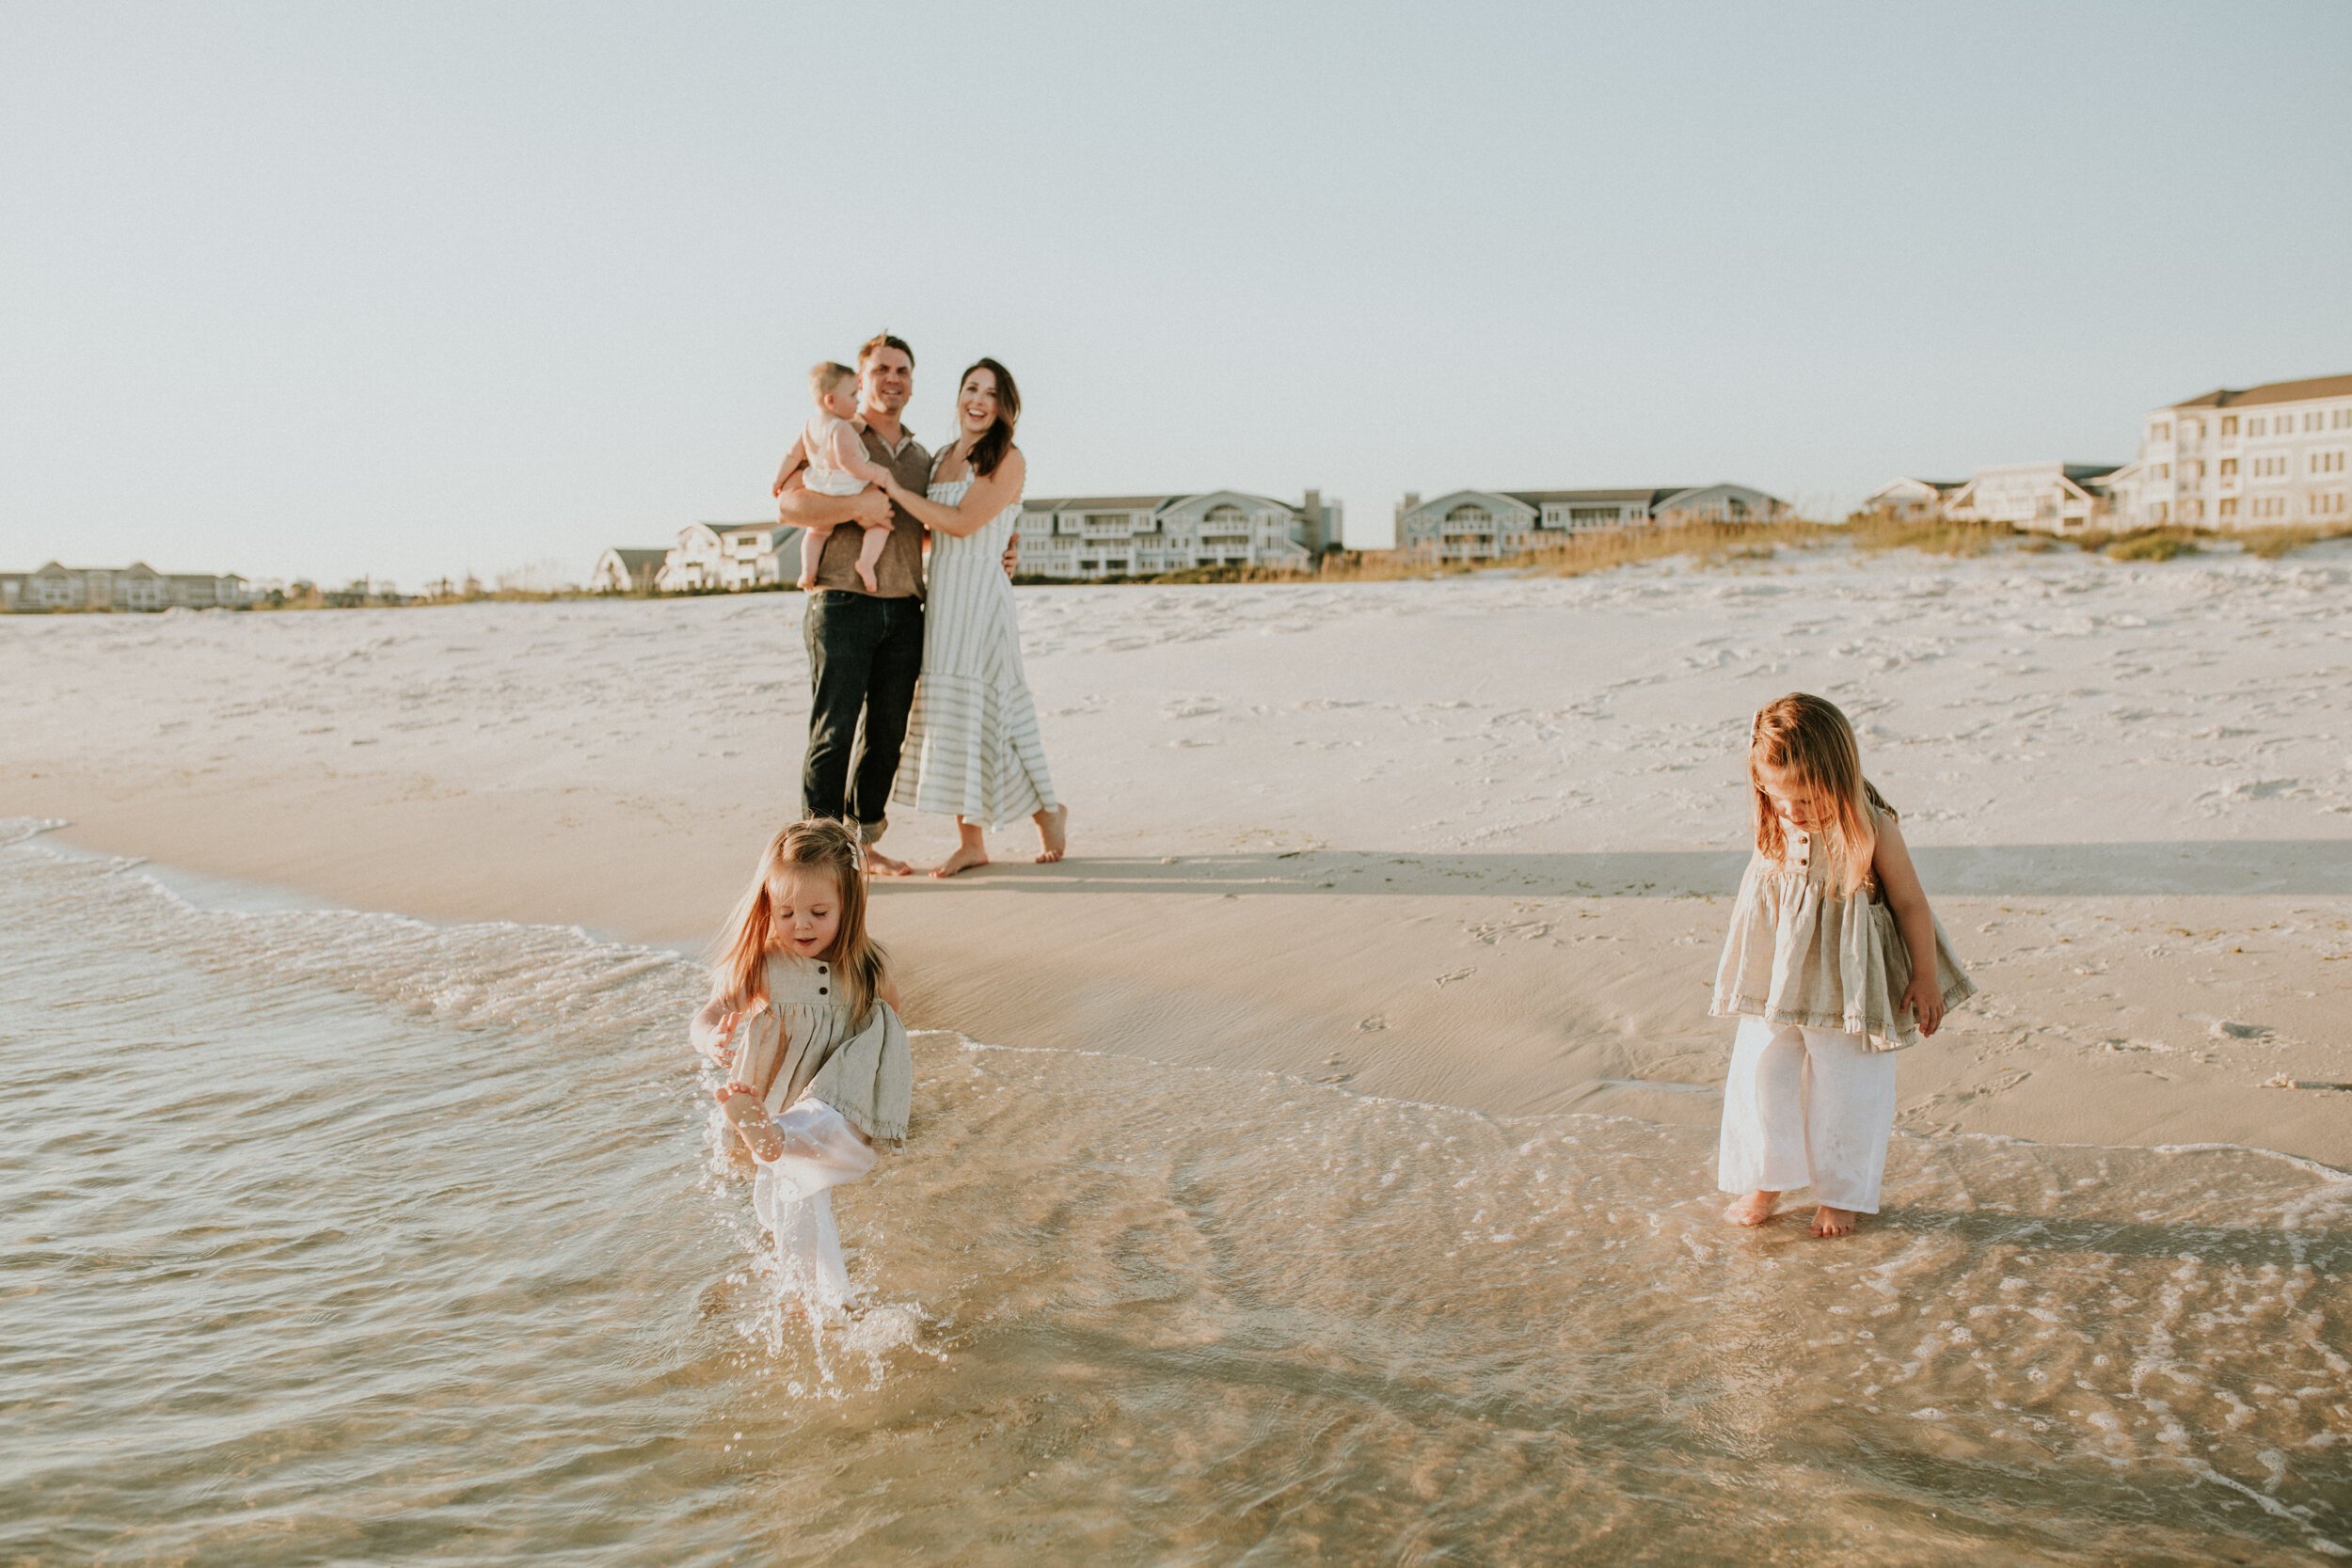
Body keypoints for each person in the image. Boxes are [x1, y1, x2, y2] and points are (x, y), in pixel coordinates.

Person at [1708, 692, 1975, 1238]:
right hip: (1775, 971)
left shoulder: (1871, 826)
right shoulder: (1775, 816)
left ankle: (1842, 1192)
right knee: (1760, 1071)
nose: (1792, 811)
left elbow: (1910, 904)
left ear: (1841, 775)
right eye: (1777, 797)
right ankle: (1765, 1177)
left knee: (1848, 1083)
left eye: (1806, 798)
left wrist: (1925, 977)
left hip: (1849, 977)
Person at [774, 331, 1018, 877]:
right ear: (859, 381)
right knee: (834, 729)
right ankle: (818, 854)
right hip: (842, 600)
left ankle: (860, 843)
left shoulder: (923, 457)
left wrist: (1006, 544)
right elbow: (788, 504)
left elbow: (938, 522)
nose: (892, 379)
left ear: (912, 382)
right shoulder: (834, 433)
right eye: (881, 369)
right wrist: (854, 502)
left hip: (908, 607)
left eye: (902, 371)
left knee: (888, 732)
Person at [690, 819, 911, 1308]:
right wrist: (711, 1038)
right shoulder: (764, 963)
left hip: (843, 1089)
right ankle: (824, 1300)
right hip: (782, 1105)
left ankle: (813, 1295)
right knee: (796, 1196)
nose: (801, 925)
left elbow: (891, 1022)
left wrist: (884, 1077)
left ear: (848, 906)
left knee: (837, 1136)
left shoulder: (868, 965)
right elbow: (710, 1012)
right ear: (768, 906)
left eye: (818, 911)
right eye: (786, 912)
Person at [873, 357, 1069, 877]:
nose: (977, 401)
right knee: (956, 718)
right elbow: (937, 530)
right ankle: (972, 842)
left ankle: (1047, 809)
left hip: (982, 600)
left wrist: (896, 491)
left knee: (996, 711)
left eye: (990, 394)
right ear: (959, 396)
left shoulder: (1008, 458)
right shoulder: (941, 458)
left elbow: (961, 522)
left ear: (1005, 408)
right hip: (944, 601)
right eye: (970, 389)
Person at [786, 361, 897, 594]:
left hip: (819, 482)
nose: (857, 400)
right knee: (880, 525)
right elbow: (850, 463)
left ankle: (807, 571)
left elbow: (791, 456)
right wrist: (876, 474)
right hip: (846, 485)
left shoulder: (809, 426)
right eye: (853, 395)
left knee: (816, 533)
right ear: (831, 401)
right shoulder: (842, 428)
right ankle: (865, 563)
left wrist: (777, 480)